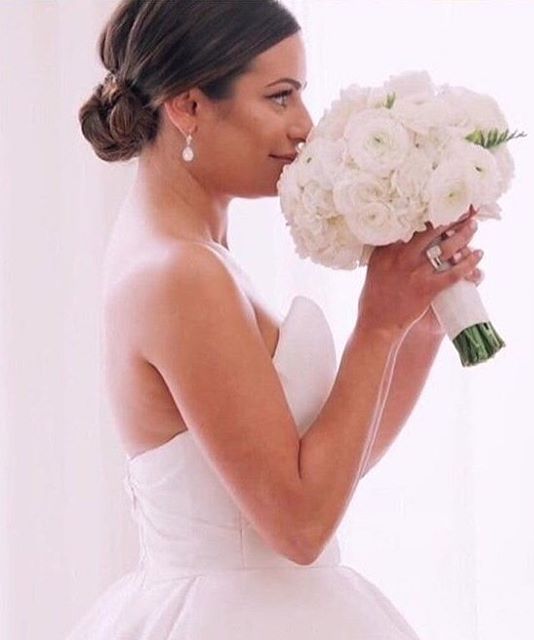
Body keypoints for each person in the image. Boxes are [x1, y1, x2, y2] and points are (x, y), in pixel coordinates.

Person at [68, 0, 484, 637]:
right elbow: (299, 526)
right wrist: (375, 325)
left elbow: (332, 471)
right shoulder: (181, 273)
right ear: (189, 107)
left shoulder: (193, 253)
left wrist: (417, 320)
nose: (305, 128)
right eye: (280, 97)